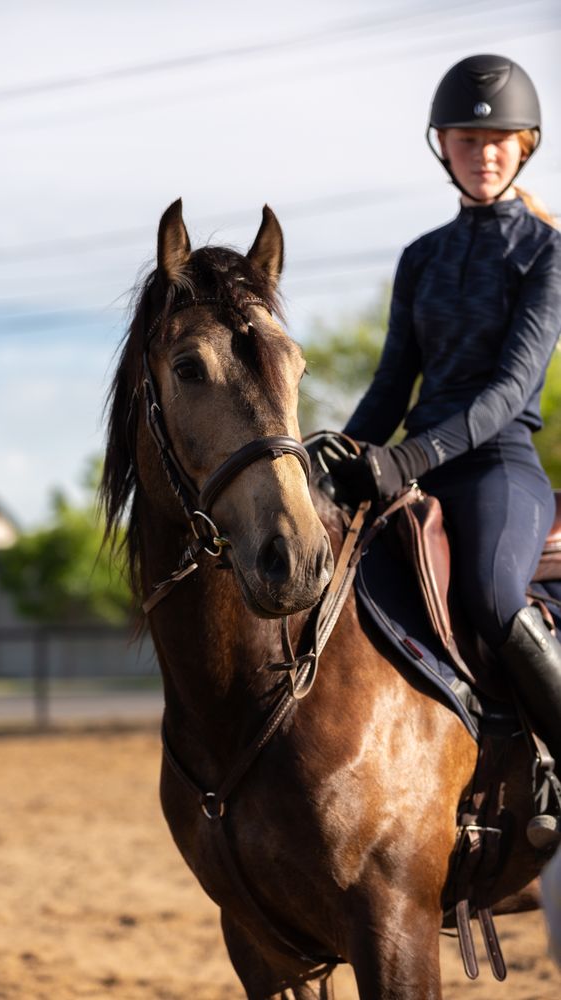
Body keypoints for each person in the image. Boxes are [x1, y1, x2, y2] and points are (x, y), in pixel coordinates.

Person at [337, 54, 561, 846]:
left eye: (500, 138)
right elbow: (392, 383)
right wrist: (341, 452)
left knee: (496, 599)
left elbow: (506, 392)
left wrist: (408, 458)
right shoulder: (421, 258)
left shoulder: (545, 253)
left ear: (525, 145)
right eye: (469, 137)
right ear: (444, 146)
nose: (485, 151)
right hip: (415, 460)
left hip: (498, 466)